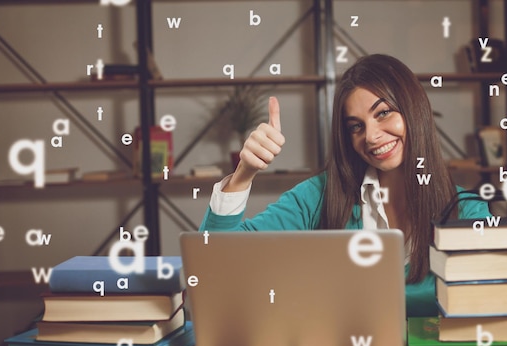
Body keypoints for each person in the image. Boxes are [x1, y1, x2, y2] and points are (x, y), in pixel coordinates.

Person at [200, 54, 491, 316]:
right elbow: (213, 265)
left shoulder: (466, 211)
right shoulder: (317, 196)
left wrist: (328, 295)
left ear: (414, 111)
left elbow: (490, 299)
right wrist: (244, 173)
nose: (372, 136)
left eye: (383, 112)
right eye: (356, 126)